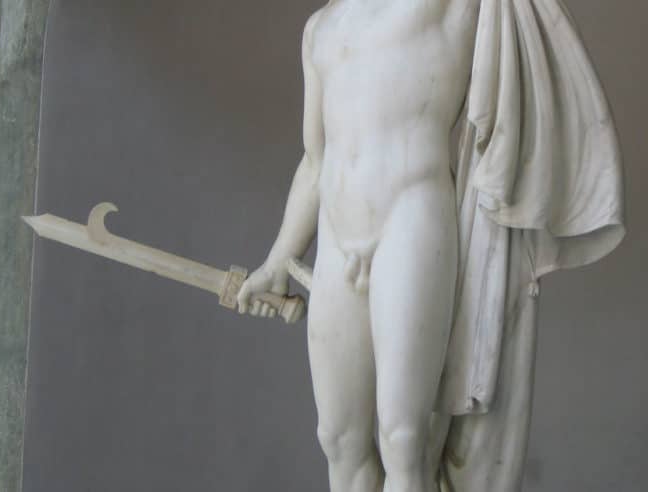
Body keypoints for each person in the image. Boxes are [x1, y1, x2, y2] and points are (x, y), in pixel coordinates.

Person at [238, 1, 625, 491]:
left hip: (411, 219)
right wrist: (278, 260)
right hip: (336, 235)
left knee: (403, 439)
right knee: (338, 438)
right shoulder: (321, 28)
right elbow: (315, 161)